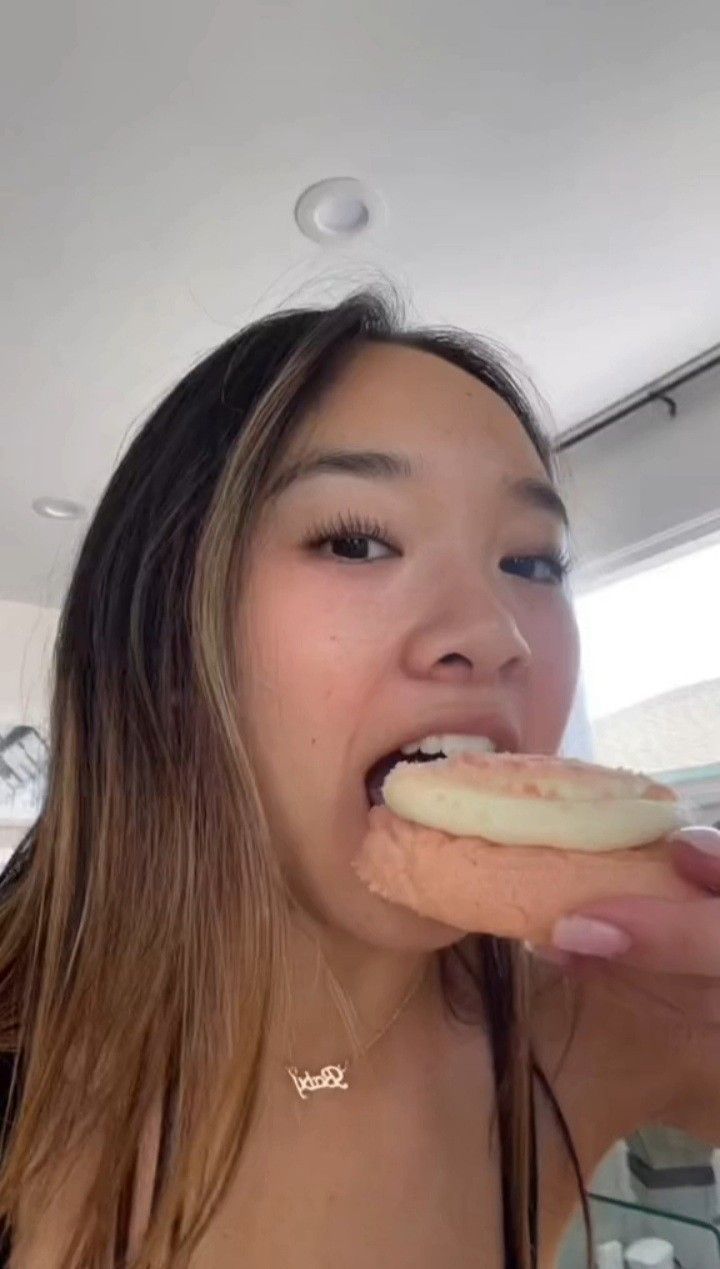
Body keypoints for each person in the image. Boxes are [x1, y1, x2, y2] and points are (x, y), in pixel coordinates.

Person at [0, 290, 718, 1269]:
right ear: (163, 642)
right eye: (355, 540)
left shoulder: (616, 1004)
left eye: (533, 563)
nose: (496, 635)